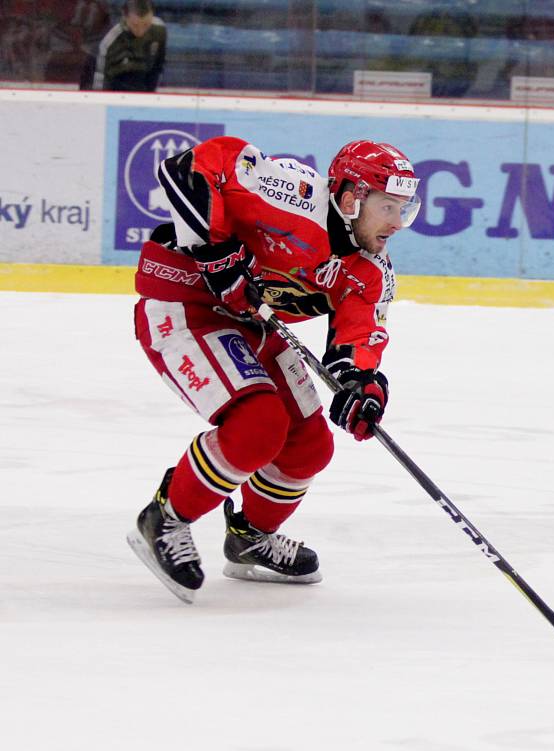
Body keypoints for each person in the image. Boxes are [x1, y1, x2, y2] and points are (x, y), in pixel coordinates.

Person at [127, 136, 420, 603]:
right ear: (350, 199)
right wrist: (215, 251)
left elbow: (358, 339)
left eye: (405, 208)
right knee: (258, 425)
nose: (398, 223)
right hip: (185, 303)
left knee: (309, 447)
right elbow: (190, 168)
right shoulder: (292, 194)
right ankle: (165, 517)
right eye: (388, 207)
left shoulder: (369, 271)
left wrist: (361, 386)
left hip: (252, 324)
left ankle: (248, 538)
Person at [91, 0, 165, 91]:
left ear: (152, 15)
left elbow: (158, 67)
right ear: (125, 17)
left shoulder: (159, 30)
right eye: (135, 25)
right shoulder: (110, 41)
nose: (140, 31)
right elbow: (100, 80)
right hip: (115, 90)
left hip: (145, 88)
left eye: (146, 25)